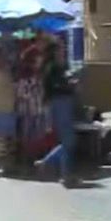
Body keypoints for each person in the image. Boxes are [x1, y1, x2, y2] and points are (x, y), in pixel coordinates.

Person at [35, 41, 78, 186]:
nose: (63, 53)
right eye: (61, 50)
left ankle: (62, 172)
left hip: (60, 103)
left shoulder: (56, 67)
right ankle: (58, 170)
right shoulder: (53, 68)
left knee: (67, 142)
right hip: (60, 103)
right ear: (54, 52)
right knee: (68, 141)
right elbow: (56, 86)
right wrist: (70, 84)